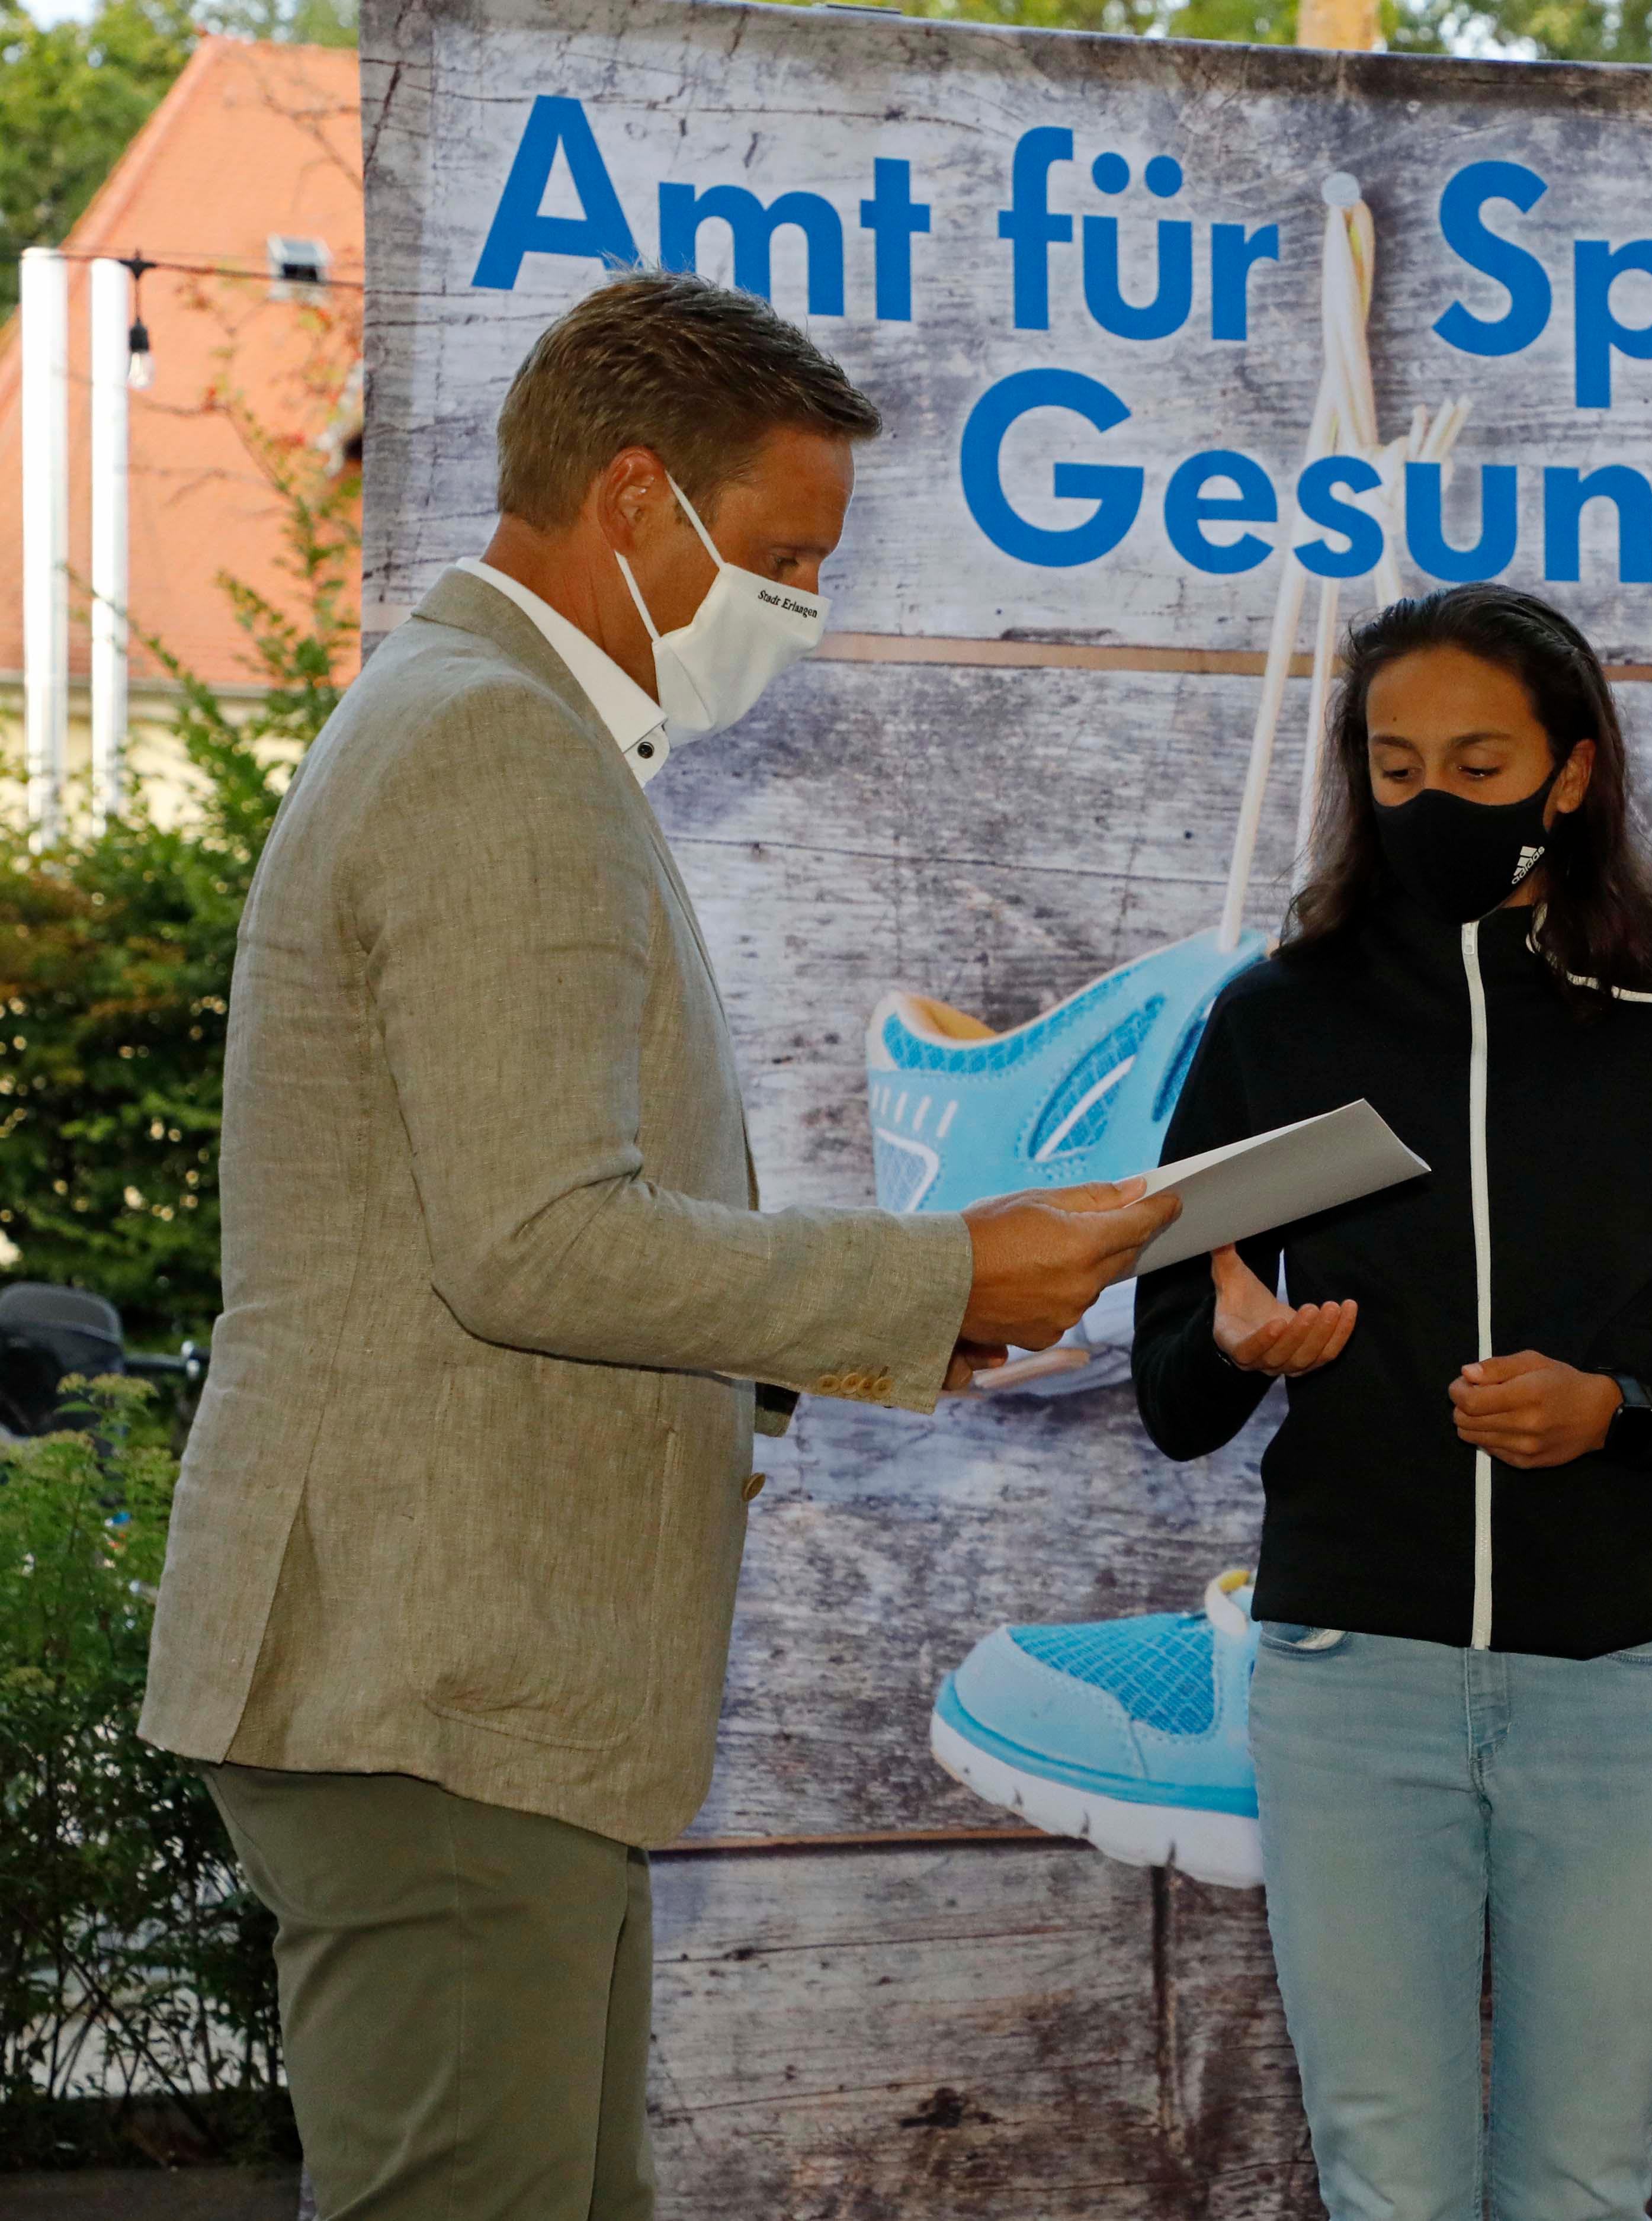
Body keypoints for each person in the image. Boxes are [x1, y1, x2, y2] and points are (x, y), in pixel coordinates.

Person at [137, 269, 1175, 2221]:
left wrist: (895, 1329)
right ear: (634, 499)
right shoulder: (491, 750)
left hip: (467, 1699)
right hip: (441, 1684)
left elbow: (503, 1232)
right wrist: (943, 1272)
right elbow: (535, 1248)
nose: (801, 609)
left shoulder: (490, 728)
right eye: (784, 557)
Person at [1133, 584, 1652, 2221]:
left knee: (1583, 2180)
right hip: (1350, 1685)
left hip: (1617, 1694)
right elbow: (1168, 1390)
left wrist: (1625, 1407)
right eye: (1395, 767)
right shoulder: (1271, 1019)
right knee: (1386, 2177)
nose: (1431, 802)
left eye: (1478, 762)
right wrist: (1236, 1351)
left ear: (1573, 772)